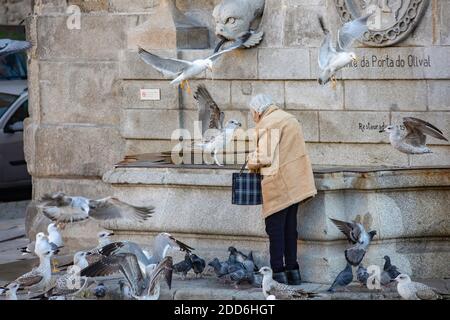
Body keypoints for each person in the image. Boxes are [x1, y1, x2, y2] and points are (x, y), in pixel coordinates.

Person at [247, 94, 317, 285]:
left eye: (252, 112)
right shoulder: (289, 118)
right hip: (296, 181)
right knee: (289, 228)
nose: (253, 116)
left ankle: (277, 273)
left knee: (275, 229)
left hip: (279, 183)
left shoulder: (269, 122)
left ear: (257, 110)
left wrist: (249, 163)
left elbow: (264, 156)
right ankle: (293, 272)